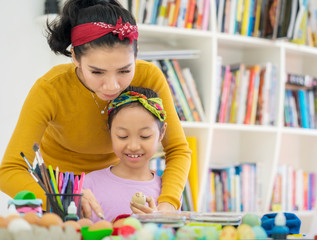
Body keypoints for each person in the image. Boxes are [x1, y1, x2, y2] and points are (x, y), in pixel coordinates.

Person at [0, 0, 191, 220]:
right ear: (75, 58)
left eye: (124, 70)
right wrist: (65, 198)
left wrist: (167, 204)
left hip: (115, 187)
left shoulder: (149, 77)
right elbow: (9, 171)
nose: (112, 86)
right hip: (61, 197)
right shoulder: (50, 88)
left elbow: (178, 149)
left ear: (136, 56)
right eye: (97, 72)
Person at [83, 86, 168, 222]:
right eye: (122, 136)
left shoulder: (167, 190)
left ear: (161, 133)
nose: (133, 146)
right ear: (110, 131)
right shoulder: (88, 184)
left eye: (145, 136)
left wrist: (156, 223)